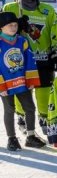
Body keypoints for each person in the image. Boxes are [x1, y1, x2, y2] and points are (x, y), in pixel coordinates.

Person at [3, 0, 57, 129]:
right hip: (19, 59)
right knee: (22, 89)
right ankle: (21, 116)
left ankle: (44, 117)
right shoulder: (10, 7)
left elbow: (55, 32)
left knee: (44, 89)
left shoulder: (48, 10)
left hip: (43, 57)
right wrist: (16, 28)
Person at [0, 12, 45, 150]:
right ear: (1, 28)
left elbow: (30, 62)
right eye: (10, 25)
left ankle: (31, 136)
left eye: (15, 25)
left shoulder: (22, 41)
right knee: (9, 110)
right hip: (6, 84)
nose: (13, 27)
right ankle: (11, 138)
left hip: (22, 82)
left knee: (30, 108)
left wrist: (31, 80)